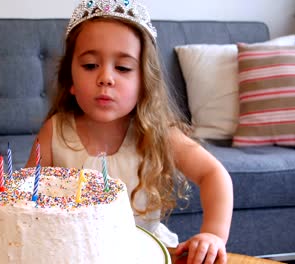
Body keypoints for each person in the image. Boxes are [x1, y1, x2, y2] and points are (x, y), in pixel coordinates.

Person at [25, 0, 233, 263]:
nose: (106, 78)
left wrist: (214, 234)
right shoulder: (55, 132)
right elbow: (24, 196)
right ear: (70, 81)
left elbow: (213, 174)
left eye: (123, 68)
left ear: (144, 83)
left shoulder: (159, 134)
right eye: (90, 65)